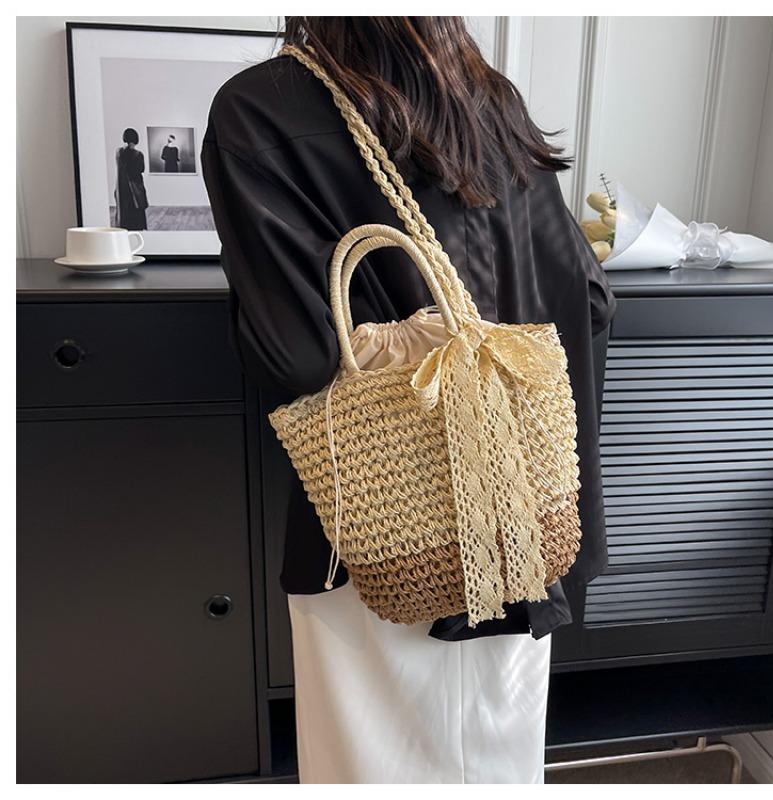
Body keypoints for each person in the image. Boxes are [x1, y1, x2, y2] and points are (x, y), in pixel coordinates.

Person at [201, 17, 616, 784]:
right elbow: (587, 302)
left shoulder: (260, 107)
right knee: (498, 768)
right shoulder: (490, 99)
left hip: (385, 535)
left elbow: (296, 355)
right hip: (523, 528)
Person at [113, 127, 148, 230]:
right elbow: (141, 169)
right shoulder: (138, 155)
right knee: (136, 213)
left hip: (122, 188)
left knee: (125, 213)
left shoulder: (119, 152)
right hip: (135, 187)